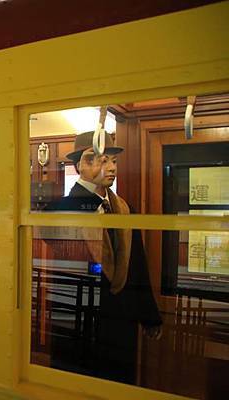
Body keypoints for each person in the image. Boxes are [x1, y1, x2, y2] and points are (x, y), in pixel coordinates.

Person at [48, 131, 162, 384]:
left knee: (117, 381)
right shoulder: (61, 209)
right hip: (78, 312)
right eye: (102, 160)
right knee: (76, 382)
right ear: (80, 165)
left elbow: (136, 263)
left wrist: (148, 315)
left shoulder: (124, 208)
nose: (112, 168)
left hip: (121, 315)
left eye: (114, 161)